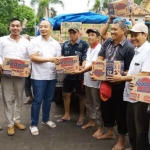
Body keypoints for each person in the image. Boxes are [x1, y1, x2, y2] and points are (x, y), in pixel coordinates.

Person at [108, 23, 150, 150]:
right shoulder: (137, 50)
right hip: (130, 95)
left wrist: (122, 78)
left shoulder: (148, 51)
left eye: (136, 35)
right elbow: (134, 71)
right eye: (132, 35)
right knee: (131, 126)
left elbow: (145, 73)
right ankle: (134, 147)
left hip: (141, 98)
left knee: (141, 128)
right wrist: (124, 73)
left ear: (145, 35)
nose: (133, 38)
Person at [97, 20, 135, 150]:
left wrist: (120, 76)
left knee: (120, 113)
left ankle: (122, 139)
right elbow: (100, 57)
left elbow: (130, 71)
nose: (112, 32)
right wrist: (98, 70)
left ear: (123, 31)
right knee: (106, 109)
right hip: (106, 83)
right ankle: (109, 132)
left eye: (115, 29)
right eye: (111, 29)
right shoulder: (107, 42)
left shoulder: (129, 48)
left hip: (120, 86)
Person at [28, 20, 61, 135]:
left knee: (48, 99)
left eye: (45, 27)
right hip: (38, 76)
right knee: (37, 100)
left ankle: (46, 119)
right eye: (41, 27)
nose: (42, 29)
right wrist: (50, 59)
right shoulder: (34, 41)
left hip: (51, 75)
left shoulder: (56, 43)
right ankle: (33, 124)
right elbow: (33, 58)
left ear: (51, 29)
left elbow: (58, 59)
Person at [0, 18, 30, 135]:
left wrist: (29, 68)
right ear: (9, 27)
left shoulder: (26, 42)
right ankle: (10, 124)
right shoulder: (2, 40)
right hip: (6, 74)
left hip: (20, 74)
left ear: (21, 28)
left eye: (18, 26)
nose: (15, 28)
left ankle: (17, 120)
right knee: (7, 99)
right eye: (13, 26)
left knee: (19, 98)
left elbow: (28, 58)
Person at [73, 29, 103, 137]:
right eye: (89, 35)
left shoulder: (100, 49)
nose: (90, 37)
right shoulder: (90, 48)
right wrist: (82, 65)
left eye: (92, 35)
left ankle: (100, 127)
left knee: (97, 105)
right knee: (89, 103)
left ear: (98, 38)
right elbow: (88, 62)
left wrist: (81, 70)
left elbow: (94, 64)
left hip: (96, 82)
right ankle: (91, 121)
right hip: (87, 81)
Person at [57, 26, 88, 126]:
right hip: (68, 75)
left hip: (79, 75)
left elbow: (85, 59)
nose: (72, 35)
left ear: (78, 33)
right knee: (66, 95)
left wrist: (81, 68)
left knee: (81, 96)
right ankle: (66, 114)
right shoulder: (65, 44)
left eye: (74, 33)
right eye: (70, 33)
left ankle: (81, 116)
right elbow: (62, 57)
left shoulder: (84, 44)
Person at [22, 34, 34, 104]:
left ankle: (37, 97)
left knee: (34, 84)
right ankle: (30, 97)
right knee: (27, 84)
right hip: (25, 68)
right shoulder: (21, 48)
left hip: (33, 68)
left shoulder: (32, 48)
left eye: (26, 39)